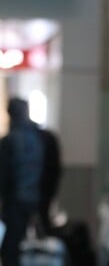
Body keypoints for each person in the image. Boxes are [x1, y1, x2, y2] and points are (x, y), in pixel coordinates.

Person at [0, 98, 45, 266]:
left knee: (10, 249)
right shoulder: (37, 136)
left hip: (15, 201)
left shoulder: (10, 140)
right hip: (33, 198)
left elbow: (5, 176)